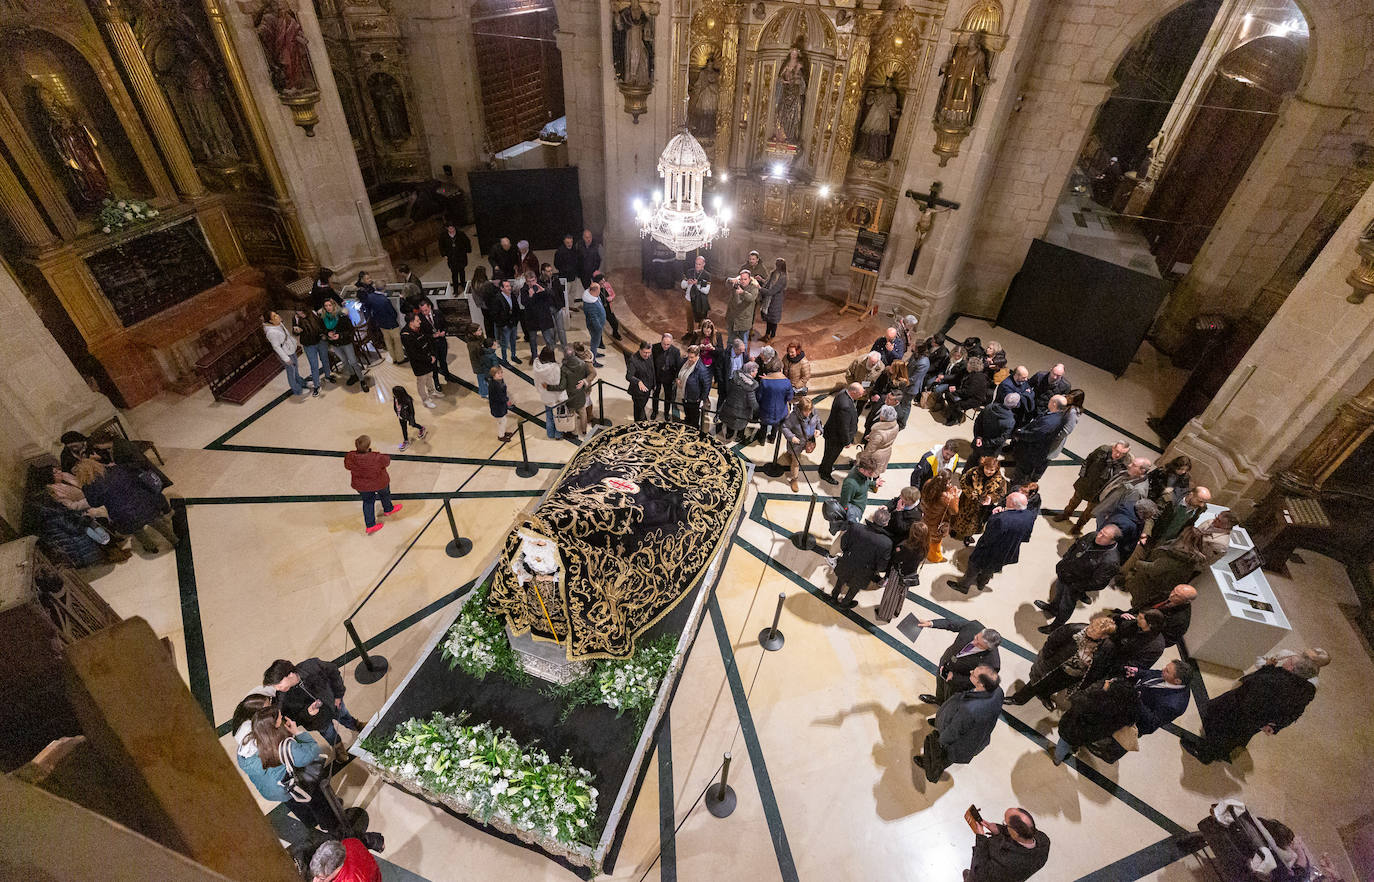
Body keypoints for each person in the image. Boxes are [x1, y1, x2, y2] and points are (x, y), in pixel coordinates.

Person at [1187, 654, 1318, 764]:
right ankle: (1219, 751)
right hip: (1256, 722)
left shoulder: (1273, 679)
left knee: (1219, 730)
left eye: (1288, 661)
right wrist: (1274, 726)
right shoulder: (1308, 690)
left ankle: (1204, 754)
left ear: (1291, 667)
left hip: (1237, 711)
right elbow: (1295, 713)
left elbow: (1250, 683)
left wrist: (1267, 667)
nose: (1285, 661)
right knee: (1233, 738)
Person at [238, 706, 332, 830]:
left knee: (296, 804)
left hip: (274, 791)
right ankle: (329, 824)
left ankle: (311, 823)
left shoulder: (244, 750)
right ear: (274, 728)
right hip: (296, 784)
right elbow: (312, 752)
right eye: (280, 719)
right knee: (317, 802)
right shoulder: (285, 747)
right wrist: (297, 732)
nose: (283, 719)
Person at [1007, 611, 1117, 709]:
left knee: (1056, 686)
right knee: (1036, 683)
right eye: (1092, 626)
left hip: (1074, 675)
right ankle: (1019, 699)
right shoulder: (1074, 629)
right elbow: (1052, 641)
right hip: (1056, 667)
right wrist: (1046, 658)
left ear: (1104, 637)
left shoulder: (1107, 647)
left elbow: (1102, 665)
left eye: (1094, 631)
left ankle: (1044, 695)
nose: (1089, 629)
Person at [915, 665, 1003, 782]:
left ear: (981, 684)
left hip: (958, 744)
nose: (970, 671)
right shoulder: (998, 691)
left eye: (974, 674)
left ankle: (930, 766)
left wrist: (941, 741)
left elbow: (954, 730)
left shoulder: (970, 709)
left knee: (942, 756)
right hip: (976, 738)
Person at [263, 657, 362, 756]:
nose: (277, 688)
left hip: (333, 703)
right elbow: (292, 719)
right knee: (329, 733)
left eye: (279, 684)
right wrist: (308, 713)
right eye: (275, 686)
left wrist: (338, 695)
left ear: (290, 674)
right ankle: (337, 746)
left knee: (344, 715)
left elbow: (333, 671)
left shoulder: (312, 666)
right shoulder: (282, 699)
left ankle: (355, 725)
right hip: (318, 721)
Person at [947, 488, 1038, 594]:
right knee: (990, 570)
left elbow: (988, 538)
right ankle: (981, 584)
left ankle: (963, 586)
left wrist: (995, 515)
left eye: (1007, 500)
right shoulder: (1029, 515)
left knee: (974, 567)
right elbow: (1025, 537)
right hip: (1008, 552)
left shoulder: (1001, 519)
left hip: (988, 552)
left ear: (1012, 504)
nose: (1005, 502)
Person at [1036, 525, 1121, 632]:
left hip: (1076, 585)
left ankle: (1055, 627)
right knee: (1059, 592)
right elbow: (1075, 546)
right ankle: (1053, 608)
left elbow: (1099, 583)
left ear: (1112, 541)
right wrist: (1064, 560)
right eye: (1101, 532)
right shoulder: (1092, 535)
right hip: (1065, 573)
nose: (1099, 536)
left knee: (1066, 605)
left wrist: (1076, 586)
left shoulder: (1110, 561)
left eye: (1104, 536)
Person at [915, 618, 1002, 704]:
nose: (974, 642)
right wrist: (932, 623)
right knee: (940, 685)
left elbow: (977, 681)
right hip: (946, 661)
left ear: (988, 648)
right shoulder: (974, 626)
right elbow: (952, 623)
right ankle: (938, 699)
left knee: (950, 699)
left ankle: (943, 712)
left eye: (979, 644)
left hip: (957, 681)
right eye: (976, 638)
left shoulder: (992, 663)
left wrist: (955, 678)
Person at [1053, 677, 1137, 765]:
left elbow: (1076, 699)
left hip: (1072, 728)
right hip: (1092, 735)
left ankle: (1058, 758)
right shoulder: (1125, 712)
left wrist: (1102, 691)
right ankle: (1073, 749)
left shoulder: (1096, 701)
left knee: (1063, 744)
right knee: (1077, 742)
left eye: (1111, 683)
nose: (1107, 681)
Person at [830, 506, 894, 609]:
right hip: (865, 571)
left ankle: (834, 596)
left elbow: (843, 542)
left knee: (841, 578)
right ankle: (845, 603)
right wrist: (875, 570)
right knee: (855, 587)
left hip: (848, 561)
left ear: (873, 518)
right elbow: (882, 565)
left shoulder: (856, 527)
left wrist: (847, 553)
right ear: (886, 523)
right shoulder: (886, 543)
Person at [1056, 440, 1130, 529]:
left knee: (1090, 511)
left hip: (1101, 491)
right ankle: (1065, 515)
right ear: (1113, 447)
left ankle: (1079, 526)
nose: (1118, 455)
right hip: (1087, 482)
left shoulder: (1126, 463)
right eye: (1117, 451)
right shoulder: (1103, 450)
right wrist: (1082, 475)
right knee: (1074, 500)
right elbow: (1088, 459)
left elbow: (1121, 481)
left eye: (1122, 453)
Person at [965, 808, 1051, 882]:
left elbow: (979, 875)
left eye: (1006, 824)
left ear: (1015, 833)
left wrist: (981, 837)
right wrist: (1000, 830)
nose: (1004, 825)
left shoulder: (1007, 861)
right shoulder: (1044, 841)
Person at [343, 434, 400, 535]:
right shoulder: (376, 457)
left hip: (361, 486)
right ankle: (388, 509)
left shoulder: (351, 456)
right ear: (368, 446)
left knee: (368, 502)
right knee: (385, 494)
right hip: (379, 482)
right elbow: (387, 461)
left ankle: (370, 525)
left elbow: (347, 466)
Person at [1086, 456, 1153, 534]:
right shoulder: (1128, 473)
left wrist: (1110, 517)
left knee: (1101, 533)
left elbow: (1126, 509)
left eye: (1134, 465)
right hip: (1104, 507)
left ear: (1142, 470)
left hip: (1108, 516)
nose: (1129, 465)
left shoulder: (1137, 491)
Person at [877, 521, 929, 622]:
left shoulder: (906, 547)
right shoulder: (925, 547)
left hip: (898, 573)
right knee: (902, 593)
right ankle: (897, 610)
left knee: (891, 594)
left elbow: (896, 559)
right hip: (911, 573)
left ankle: (885, 615)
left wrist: (897, 551)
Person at [1011, 395, 1069, 481]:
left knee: (1022, 471)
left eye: (1050, 400)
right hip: (1038, 449)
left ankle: (1017, 484)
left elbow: (1032, 436)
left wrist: (1019, 433)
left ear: (1054, 404)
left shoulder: (1049, 422)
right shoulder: (1060, 416)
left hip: (1031, 451)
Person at [953, 457, 1009, 544]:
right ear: (983, 466)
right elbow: (963, 482)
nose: (988, 472)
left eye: (992, 470)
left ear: (996, 470)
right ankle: (955, 530)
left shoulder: (1000, 481)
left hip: (982, 509)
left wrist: (991, 498)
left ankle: (968, 536)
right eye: (987, 468)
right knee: (959, 518)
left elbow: (1001, 494)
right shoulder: (973, 472)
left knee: (975, 524)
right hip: (966, 503)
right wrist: (971, 493)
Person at [1132, 659, 1194, 736]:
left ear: (1177, 681)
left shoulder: (1173, 705)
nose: (1163, 669)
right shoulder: (1168, 676)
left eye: (1167, 671)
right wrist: (1138, 672)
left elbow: (1151, 723)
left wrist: (1136, 700)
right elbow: (1155, 673)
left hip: (1133, 720)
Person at [320, 300, 370, 391]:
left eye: (329, 305)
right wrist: (328, 333)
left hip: (345, 342)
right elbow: (323, 330)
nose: (328, 308)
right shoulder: (324, 318)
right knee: (344, 361)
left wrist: (340, 335)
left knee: (353, 361)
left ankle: (362, 379)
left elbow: (350, 330)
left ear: (334, 305)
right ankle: (353, 375)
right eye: (326, 306)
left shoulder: (342, 316)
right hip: (335, 344)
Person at [820, 383, 863, 484]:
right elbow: (843, 427)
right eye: (860, 394)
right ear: (853, 392)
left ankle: (825, 467)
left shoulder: (843, 392)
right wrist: (847, 442)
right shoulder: (845, 406)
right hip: (835, 437)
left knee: (828, 455)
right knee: (830, 456)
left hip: (832, 432)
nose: (862, 396)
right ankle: (825, 473)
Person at [358, 273, 404, 365]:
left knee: (388, 341)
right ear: (384, 287)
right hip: (391, 324)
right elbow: (393, 313)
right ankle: (400, 359)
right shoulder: (384, 300)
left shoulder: (370, 297)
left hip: (381, 324)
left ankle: (394, 358)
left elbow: (369, 308)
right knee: (397, 341)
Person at [263, 308, 309, 397]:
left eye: (276, 314)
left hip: (290, 349)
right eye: (274, 316)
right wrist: (286, 359)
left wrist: (294, 343)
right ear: (270, 321)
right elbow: (276, 347)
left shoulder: (279, 323)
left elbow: (286, 334)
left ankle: (301, 382)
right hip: (285, 353)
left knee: (295, 368)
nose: (277, 316)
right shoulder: (271, 332)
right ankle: (297, 390)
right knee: (291, 371)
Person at [780, 397, 821, 492]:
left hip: (808, 441)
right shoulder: (793, 417)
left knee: (796, 457)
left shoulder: (814, 412)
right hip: (796, 444)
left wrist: (819, 430)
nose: (808, 414)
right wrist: (792, 437)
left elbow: (818, 421)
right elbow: (785, 427)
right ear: (800, 409)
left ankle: (790, 455)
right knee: (796, 462)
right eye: (806, 411)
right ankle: (794, 479)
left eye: (809, 411)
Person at [921, 468, 961, 563]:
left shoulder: (928, 483)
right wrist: (955, 495)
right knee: (935, 542)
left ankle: (924, 549)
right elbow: (955, 511)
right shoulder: (947, 497)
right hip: (936, 522)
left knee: (926, 536)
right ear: (948, 482)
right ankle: (935, 557)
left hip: (925, 516)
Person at [415, 300, 458, 387]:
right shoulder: (420, 318)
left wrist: (444, 332)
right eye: (422, 311)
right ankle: (436, 382)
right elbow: (421, 334)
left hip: (442, 342)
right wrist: (432, 336)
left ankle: (447, 376)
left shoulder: (438, 313)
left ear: (430, 307)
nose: (424, 312)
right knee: (434, 364)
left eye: (426, 310)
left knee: (443, 361)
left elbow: (445, 325)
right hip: (431, 345)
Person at [400, 312, 438, 409]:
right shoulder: (406, 335)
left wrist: (432, 354)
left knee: (430, 377)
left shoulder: (419, 328)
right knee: (421, 381)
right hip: (419, 363)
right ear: (411, 323)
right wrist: (429, 358)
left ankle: (432, 392)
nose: (420, 322)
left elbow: (426, 340)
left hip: (428, 358)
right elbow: (413, 354)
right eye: (417, 320)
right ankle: (425, 400)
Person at [832, 454, 882, 528]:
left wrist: (874, 483)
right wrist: (847, 515)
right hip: (854, 510)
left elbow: (865, 482)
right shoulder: (850, 483)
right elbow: (844, 502)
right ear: (862, 469)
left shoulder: (863, 475)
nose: (872, 475)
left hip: (859, 505)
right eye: (870, 473)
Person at [556, 344, 593, 438]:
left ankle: (574, 432)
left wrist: (549, 387)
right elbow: (589, 375)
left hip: (571, 396)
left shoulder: (564, 368)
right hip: (581, 393)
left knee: (572, 413)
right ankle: (584, 431)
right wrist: (584, 381)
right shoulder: (583, 364)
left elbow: (562, 386)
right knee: (582, 411)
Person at [719, 360, 760, 442]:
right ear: (751, 372)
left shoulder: (734, 379)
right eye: (756, 371)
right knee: (741, 426)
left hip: (730, 406)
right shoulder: (750, 387)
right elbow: (752, 403)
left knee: (729, 423)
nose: (757, 372)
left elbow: (727, 391)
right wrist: (758, 410)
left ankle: (728, 435)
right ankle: (739, 437)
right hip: (742, 412)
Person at [754, 359, 794, 444]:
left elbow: (759, 396)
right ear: (780, 369)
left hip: (765, 410)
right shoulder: (787, 382)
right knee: (776, 425)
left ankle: (762, 440)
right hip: (780, 411)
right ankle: (772, 438)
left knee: (763, 425)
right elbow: (790, 397)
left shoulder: (764, 381)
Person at [532, 345, 568, 439]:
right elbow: (557, 383)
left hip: (544, 395)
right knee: (558, 416)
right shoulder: (554, 367)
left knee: (549, 416)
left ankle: (550, 434)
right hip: (555, 396)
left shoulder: (536, 365)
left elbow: (536, 381)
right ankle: (558, 434)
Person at [308, 837, 382, 882]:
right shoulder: (349, 842)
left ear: (336, 869)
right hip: (372, 871)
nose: (317, 880)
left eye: (322, 878)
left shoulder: (352, 880)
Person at [971, 393, 1018, 463]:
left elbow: (978, 422)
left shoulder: (989, 407)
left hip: (979, 443)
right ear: (1015, 405)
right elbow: (1002, 438)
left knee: (972, 460)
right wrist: (985, 442)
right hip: (992, 449)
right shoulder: (1010, 421)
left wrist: (978, 437)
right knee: (987, 466)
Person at [294, 307, 331, 393]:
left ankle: (328, 376)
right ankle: (316, 385)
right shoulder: (296, 318)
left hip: (320, 341)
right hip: (308, 345)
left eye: (301, 313)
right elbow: (294, 331)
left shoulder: (313, 313)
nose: (300, 315)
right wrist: (297, 331)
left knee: (325, 359)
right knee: (314, 365)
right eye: (298, 313)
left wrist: (324, 334)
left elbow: (321, 324)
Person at [650, 333, 684, 420]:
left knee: (668, 396)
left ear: (671, 342)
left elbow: (679, 366)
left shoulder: (675, 351)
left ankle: (666, 413)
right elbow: (651, 363)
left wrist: (676, 377)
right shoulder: (654, 347)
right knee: (655, 394)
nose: (665, 346)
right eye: (664, 344)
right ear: (661, 341)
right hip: (657, 376)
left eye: (668, 344)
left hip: (669, 377)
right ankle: (655, 411)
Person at [676, 345, 712, 428]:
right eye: (689, 356)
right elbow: (679, 372)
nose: (689, 359)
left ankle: (693, 429)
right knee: (687, 413)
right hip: (685, 394)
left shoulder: (701, 369)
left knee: (694, 418)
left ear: (697, 356)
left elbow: (706, 385)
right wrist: (677, 379)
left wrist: (702, 398)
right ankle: (687, 422)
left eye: (692, 357)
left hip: (694, 398)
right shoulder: (685, 362)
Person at [1044, 389, 1085, 463]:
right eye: (1068, 396)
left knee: (1042, 461)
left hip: (1051, 439)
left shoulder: (1073, 413)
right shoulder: (1063, 399)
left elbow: (1065, 431)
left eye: (1070, 399)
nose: (1067, 398)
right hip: (1046, 431)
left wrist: (1051, 436)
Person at [488, 278, 522, 364]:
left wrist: (515, 321)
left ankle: (513, 356)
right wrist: (503, 325)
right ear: (502, 288)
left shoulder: (512, 296)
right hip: (505, 326)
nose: (509, 287)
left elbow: (517, 309)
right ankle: (504, 360)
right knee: (504, 344)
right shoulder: (497, 299)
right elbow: (494, 314)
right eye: (507, 286)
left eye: (509, 285)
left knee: (513, 341)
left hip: (513, 324)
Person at [538, 263, 570, 348]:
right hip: (547, 308)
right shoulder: (539, 282)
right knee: (552, 329)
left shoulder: (555, 280)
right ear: (543, 272)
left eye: (551, 270)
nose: (550, 273)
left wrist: (563, 304)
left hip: (557, 306)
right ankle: (553, 345)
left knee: (561, 329)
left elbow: (560, 293)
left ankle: (565, 346)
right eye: (548, 271)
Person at [724, 269, 759, 344]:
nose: (743, 281)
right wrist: (731, 280)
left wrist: (742, 292)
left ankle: (743, 356)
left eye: (745, 279)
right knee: (730, 341)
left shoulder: (754, 287)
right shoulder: (737, 284)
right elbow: (727, 284)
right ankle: (728, 355)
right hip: (732, 319)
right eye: (741, 279)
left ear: (749, 279)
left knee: (743, 343)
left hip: (743, 321)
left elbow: (751, 298)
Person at [759, 258, 787, 342]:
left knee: (774, 320)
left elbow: (772, 291)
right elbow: (769, 284)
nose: (776, 266)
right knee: (769, 319)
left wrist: (759, 288)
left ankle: (772, 337)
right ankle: (767, 335)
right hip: (769, 300)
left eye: (777, 264)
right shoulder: (774, 273)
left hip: (775, 300)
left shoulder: (782, 277)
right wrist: (761, 280)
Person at [681, 254, 711, 332]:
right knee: (689, 317)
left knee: (701, 319)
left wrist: (697, 284)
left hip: (700, 301)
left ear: (703, 264)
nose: (697, 266)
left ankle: (699, 334)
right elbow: (682, 286)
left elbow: (706, 291)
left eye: (699, 264)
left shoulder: (707, 275)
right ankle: (689, 333)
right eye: (696, 264)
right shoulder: (690, 271)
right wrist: (688, 282)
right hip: (689, 298)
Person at [391, 386, 427, 451]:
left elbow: (412, 411)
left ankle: (421, 428)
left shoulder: (408, 400)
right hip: (401, 416)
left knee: (413, 424)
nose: (393, 394)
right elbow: (395, 406)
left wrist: (411, 419)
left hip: (407, 416)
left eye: (394, 393)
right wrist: (398, 414)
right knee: (404, 428)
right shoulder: (395, 398)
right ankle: (406, 441)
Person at [581, 281, 608, 367]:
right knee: (594, 343)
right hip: (595, 327)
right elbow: (594, 319)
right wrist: (599, 328)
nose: (600, 292)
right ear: (594, 290)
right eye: (599, 290)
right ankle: (593, 360)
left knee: (595, 342)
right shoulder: (590, 304)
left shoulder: (593, 296)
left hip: (597, 325)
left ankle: (595, 353)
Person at [590, 270, 622, 341]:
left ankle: (615, 333)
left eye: (603, 279)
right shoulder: (594, 288)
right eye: (601, 279)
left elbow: (613, 294)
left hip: (608, 307)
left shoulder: (606, 285)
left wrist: (611, 297)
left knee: (614, 322)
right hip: (599, 309)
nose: (604, 280)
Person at [438, 221, 470, 287]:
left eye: (452, 228)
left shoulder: (461, 234)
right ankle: (455, 288)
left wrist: (466, 251)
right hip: (451, 257)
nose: (451, 230)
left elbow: (467, 242)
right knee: (454, 273)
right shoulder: (443, 236)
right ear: (447, 228)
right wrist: (444, 255)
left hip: (461, 256)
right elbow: (441, 246)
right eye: (449, 228)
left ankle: (463, 285)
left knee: (462, 272)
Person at [488, 365, 512, 442]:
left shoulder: (500, 381)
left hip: (501, 406)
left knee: (502, 421)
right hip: (497, 407)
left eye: (501, 372)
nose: (501, 374)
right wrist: (506, 400)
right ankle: (501, 436)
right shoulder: (494, 385)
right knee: (502, 421)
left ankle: (503, 432)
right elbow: (499, 397)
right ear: (493, 375)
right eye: (498, 373)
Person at [554, 233, 580, 298]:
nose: (570, 244)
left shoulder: (574, 249)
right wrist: (565, 270)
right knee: (565, 295)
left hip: (573, 277)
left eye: (571, 242)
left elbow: (577, 261)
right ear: (564, 242)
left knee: (572, 294)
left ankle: (571, 307)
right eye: (568, 242)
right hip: (565, 277)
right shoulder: (559, 252)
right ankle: (566, 308)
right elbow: (556, 264)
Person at [576, 228, 602, 293]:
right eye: (586, 237)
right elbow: (576, 260)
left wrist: (599, 271)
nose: (588, 239)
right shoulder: (578, 246)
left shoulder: (597, 245)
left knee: (597, 290)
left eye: (590, 237)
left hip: (595, 272)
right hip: (584, 273)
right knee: (588, 291)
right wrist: (578, 272)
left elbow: (602, 258)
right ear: (583, 237)